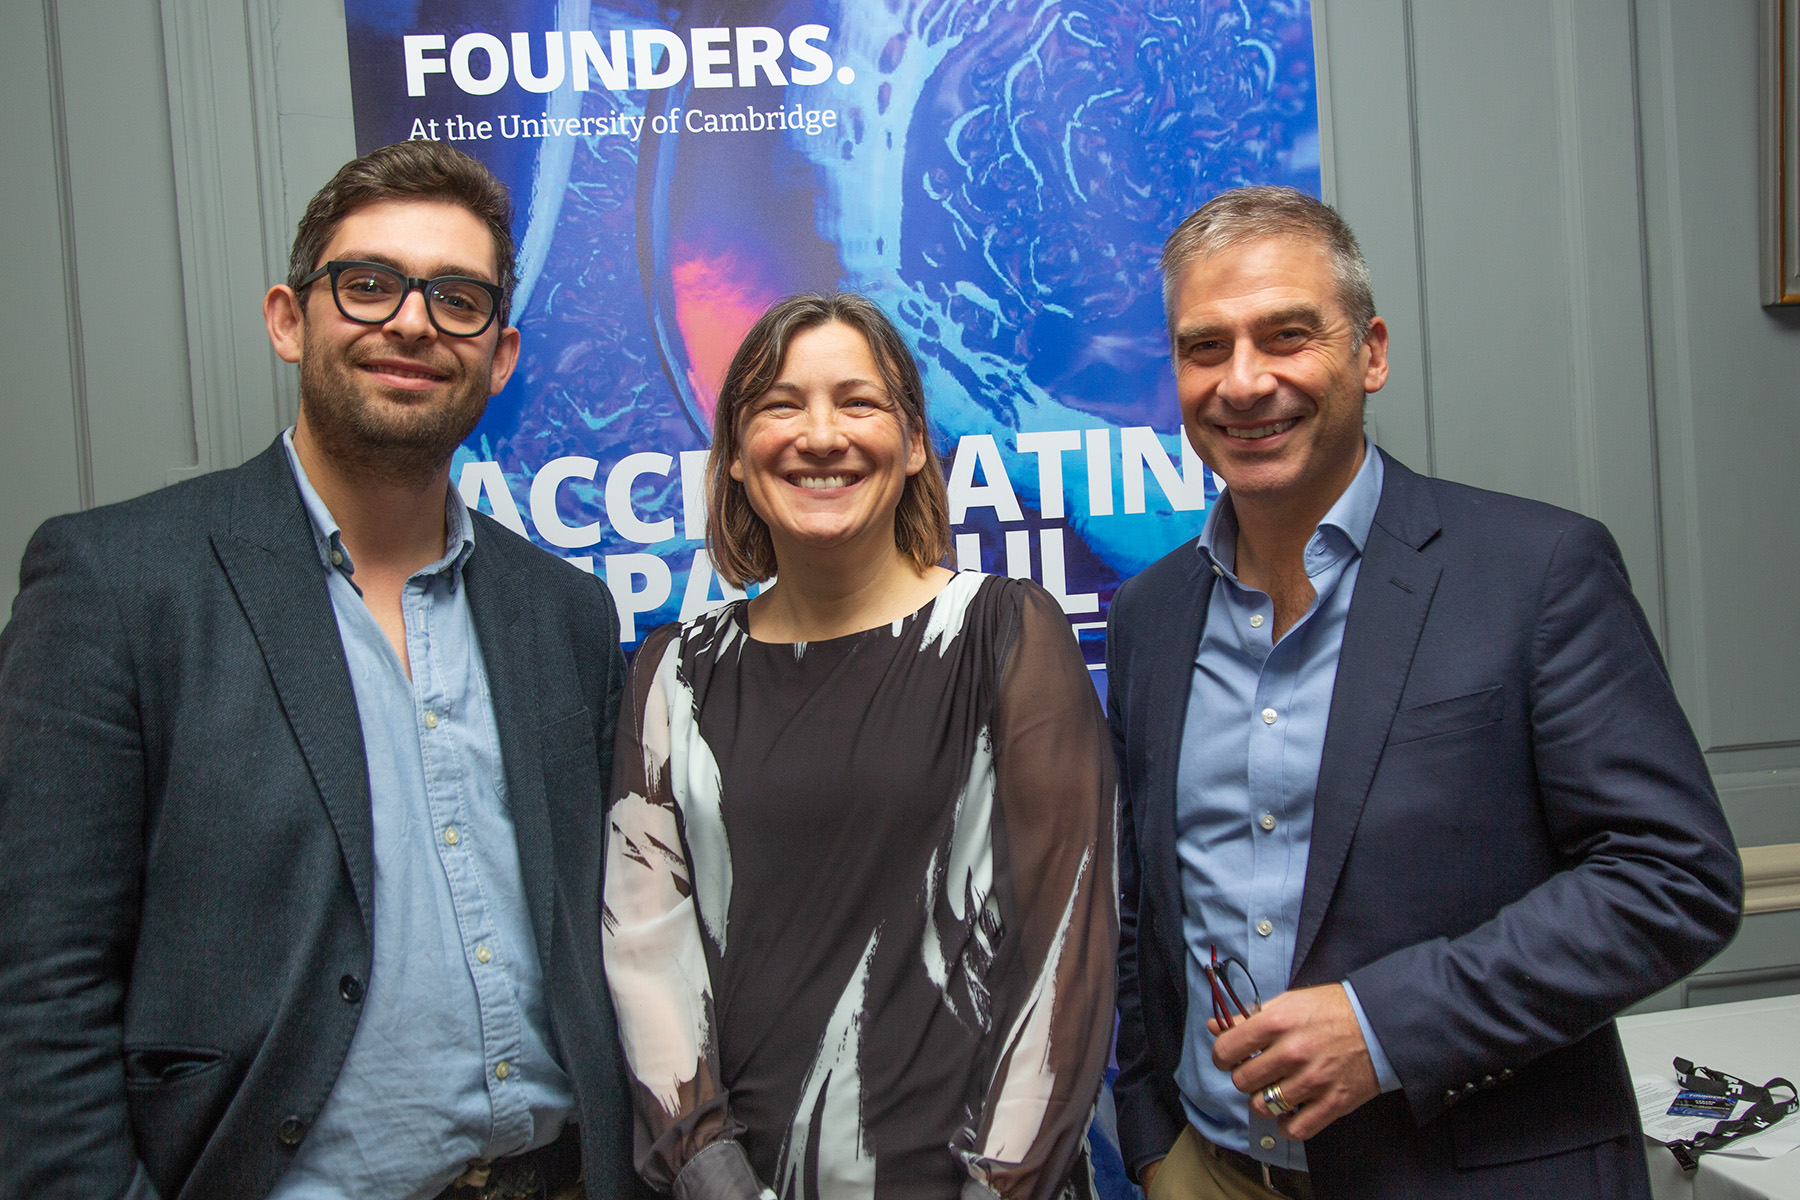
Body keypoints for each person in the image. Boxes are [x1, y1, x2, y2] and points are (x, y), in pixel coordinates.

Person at [0, 141, 647, 1200]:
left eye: (457, 298)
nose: (413, 323)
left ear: (501, 355)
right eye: (369, 284)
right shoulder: (116, 584)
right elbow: (39, 987)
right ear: (288, 319)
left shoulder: (564, 612)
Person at [1106, 186, 1743, 1200]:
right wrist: (1151, 1135)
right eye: (1204, 347)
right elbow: (1147, 905)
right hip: (1210, 1170)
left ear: (1371, 353)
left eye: (1287, 335)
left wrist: (1383, 1028)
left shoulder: (1537, 573)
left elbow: (1674, 879)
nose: (1245, 381)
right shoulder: (1149, 616)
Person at [601, 293, 1118, 1200]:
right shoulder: (673, 676)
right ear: (734, 456)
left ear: (914, 443)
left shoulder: (1005, 635)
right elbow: (647, 957)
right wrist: (716, 1179)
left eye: (858, 402)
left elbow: (1064, 956)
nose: (820, 435)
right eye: (781, 406)